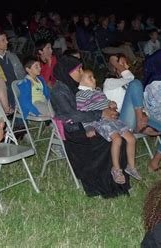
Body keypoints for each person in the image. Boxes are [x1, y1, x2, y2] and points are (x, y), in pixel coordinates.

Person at [50, 54, 130, 198]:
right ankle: (103, 186)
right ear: (68, 71)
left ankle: (119, 182)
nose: (81, 73)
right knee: (106, 142)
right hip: (73, 131)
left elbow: (89, 107)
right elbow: (73, 116)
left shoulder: (72, 86)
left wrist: (106, 109)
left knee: (119, 136)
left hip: (86, 122)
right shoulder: (58, 91)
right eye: (78, 70)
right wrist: (100, 114)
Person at [76, 69, 140, 183]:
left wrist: (111, 103)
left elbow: (104, 101)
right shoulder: (80, 95)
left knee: (131, 138)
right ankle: (116, 169)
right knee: (117, 139)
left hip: (113, 119)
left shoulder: (98, 91)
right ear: (80, 81)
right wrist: (88, 127)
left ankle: (131, 166)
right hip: (100, 121)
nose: (94, 79)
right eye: (90, 77)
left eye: (93, 77)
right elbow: (83, 113)